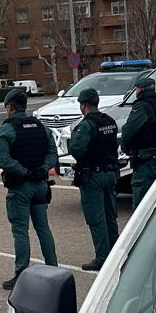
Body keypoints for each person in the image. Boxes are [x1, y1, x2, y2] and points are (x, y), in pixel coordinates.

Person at [0, 87, 58, 290]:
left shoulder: (6, 130)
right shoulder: (41, 127)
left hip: (21, 187)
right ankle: (53, 268)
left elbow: (4, 160)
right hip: (40, 185)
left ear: (10, 107)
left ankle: (21, 272)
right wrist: (42, 170)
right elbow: (52, 153)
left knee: (21, 230)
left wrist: (26, 172)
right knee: (43, 228)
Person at [68, 87, 120, 271]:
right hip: (111, 173)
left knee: (96, 218)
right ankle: (116, 253)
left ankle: (102, 258)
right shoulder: (110, 121)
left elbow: (76, 148)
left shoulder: (87, 125)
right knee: (110, 215)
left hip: (94, 176)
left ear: (84, 105)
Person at [120, 76, 156, 205]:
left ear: (141, 90)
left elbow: (129, 130)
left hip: (146, 158)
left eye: (136, 89)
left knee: (141, 200)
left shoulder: (141, 107)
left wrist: (124, 147)